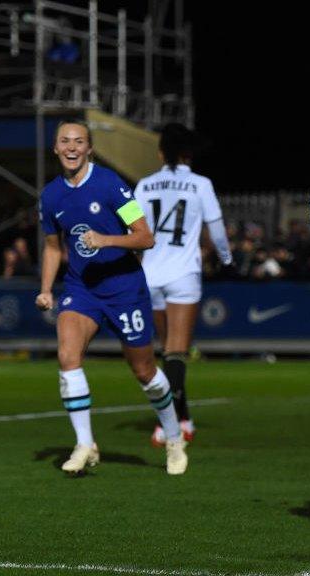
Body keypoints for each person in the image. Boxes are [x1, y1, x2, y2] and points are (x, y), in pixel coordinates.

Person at [36, 119, 188, 475]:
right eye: (65, 141)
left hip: (124, 289)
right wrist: (45, 289)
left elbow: (145, 237)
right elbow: (53, 248)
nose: (72, 148)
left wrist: (106, 240)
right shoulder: (50, 195)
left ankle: (173, 436)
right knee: (67, 355)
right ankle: (85, 444)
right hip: (81, 288)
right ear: (55, 148)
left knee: (145, 371)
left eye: (79, 142)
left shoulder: (109, 184)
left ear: (89, 149)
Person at [134, 123, 233, 447]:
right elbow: (216, 230)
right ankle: (170, 426)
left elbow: (134, 230)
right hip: (182, 275)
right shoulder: (200, 183)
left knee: (167, 353)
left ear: (161, 152)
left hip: (150, 275)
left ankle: (183, 418)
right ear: (188, 153)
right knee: (176, 352)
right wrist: (227, 259)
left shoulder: (145, 186)